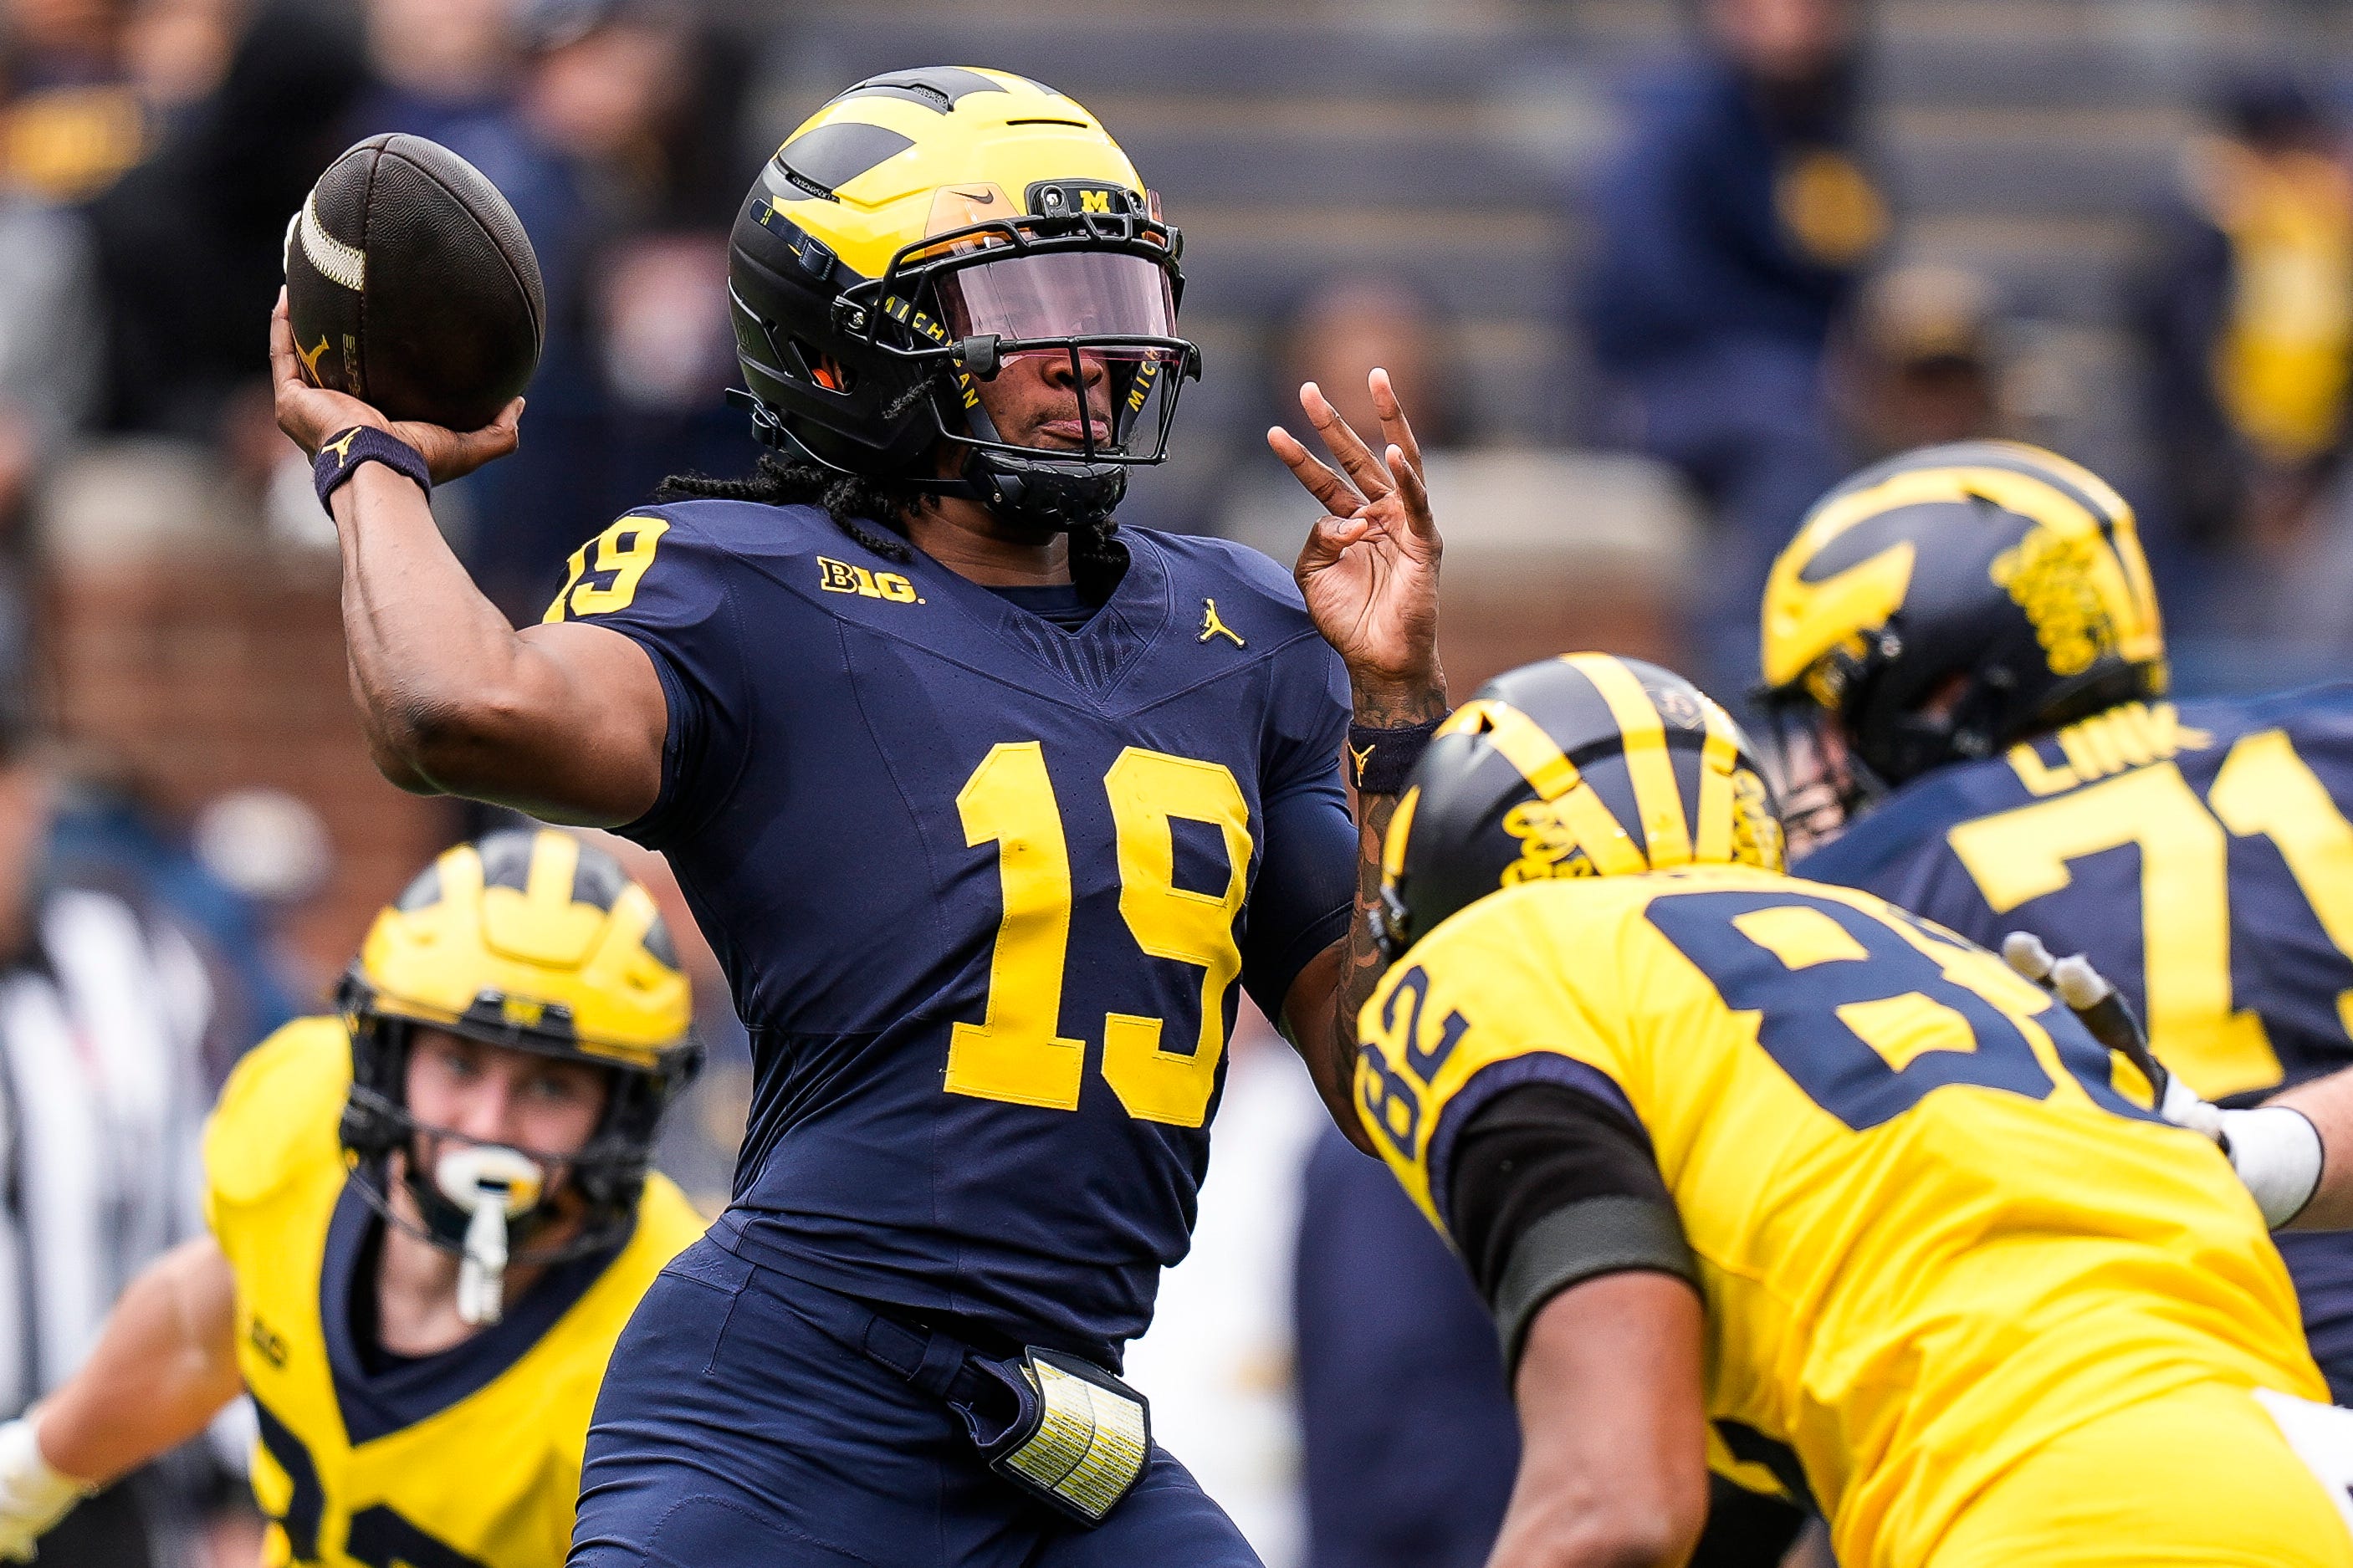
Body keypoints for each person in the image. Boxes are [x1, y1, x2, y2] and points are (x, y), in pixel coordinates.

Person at [269, 66, 1445, 1565]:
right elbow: (452, 708)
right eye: (1023, 306)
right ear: (850, 344)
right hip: (788, 1413)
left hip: (1062, 1440)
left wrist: (1395, 713)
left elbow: (1390, 1073)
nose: (1088, 354)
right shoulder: (745, 587)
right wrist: (369, 462)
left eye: (1108, 296)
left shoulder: (1249, 628)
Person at [1355, 650, 2353, 1568]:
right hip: (2291, 1482)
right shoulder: (1944, 959)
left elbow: (1609, 1510)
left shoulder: (1504, 963)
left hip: (2059, 1507)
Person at [1753, 438, 2353, 1399]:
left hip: (2165, 1404)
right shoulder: (2327, 740)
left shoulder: (1878, 877)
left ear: (1943, 686)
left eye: (1835, 707)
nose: (1824, 755)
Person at [0, 827, 706, 1565]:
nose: (487, 1126)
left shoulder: (669, 1336)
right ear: (388, 1058)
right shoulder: (302, 1116)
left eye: (551, 1085)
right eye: (459, 1063)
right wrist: (27, 1477)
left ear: (622, 1110)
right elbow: (200, 1328)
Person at [1578, 0, 1885, 692]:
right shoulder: (1675, 125)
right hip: (1662, 388)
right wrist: (1807, 362)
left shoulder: (1825, 131)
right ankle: (1753, 667)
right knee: (1790, 429)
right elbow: (1649, 289)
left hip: (1789, 381)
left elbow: (1849, 267)